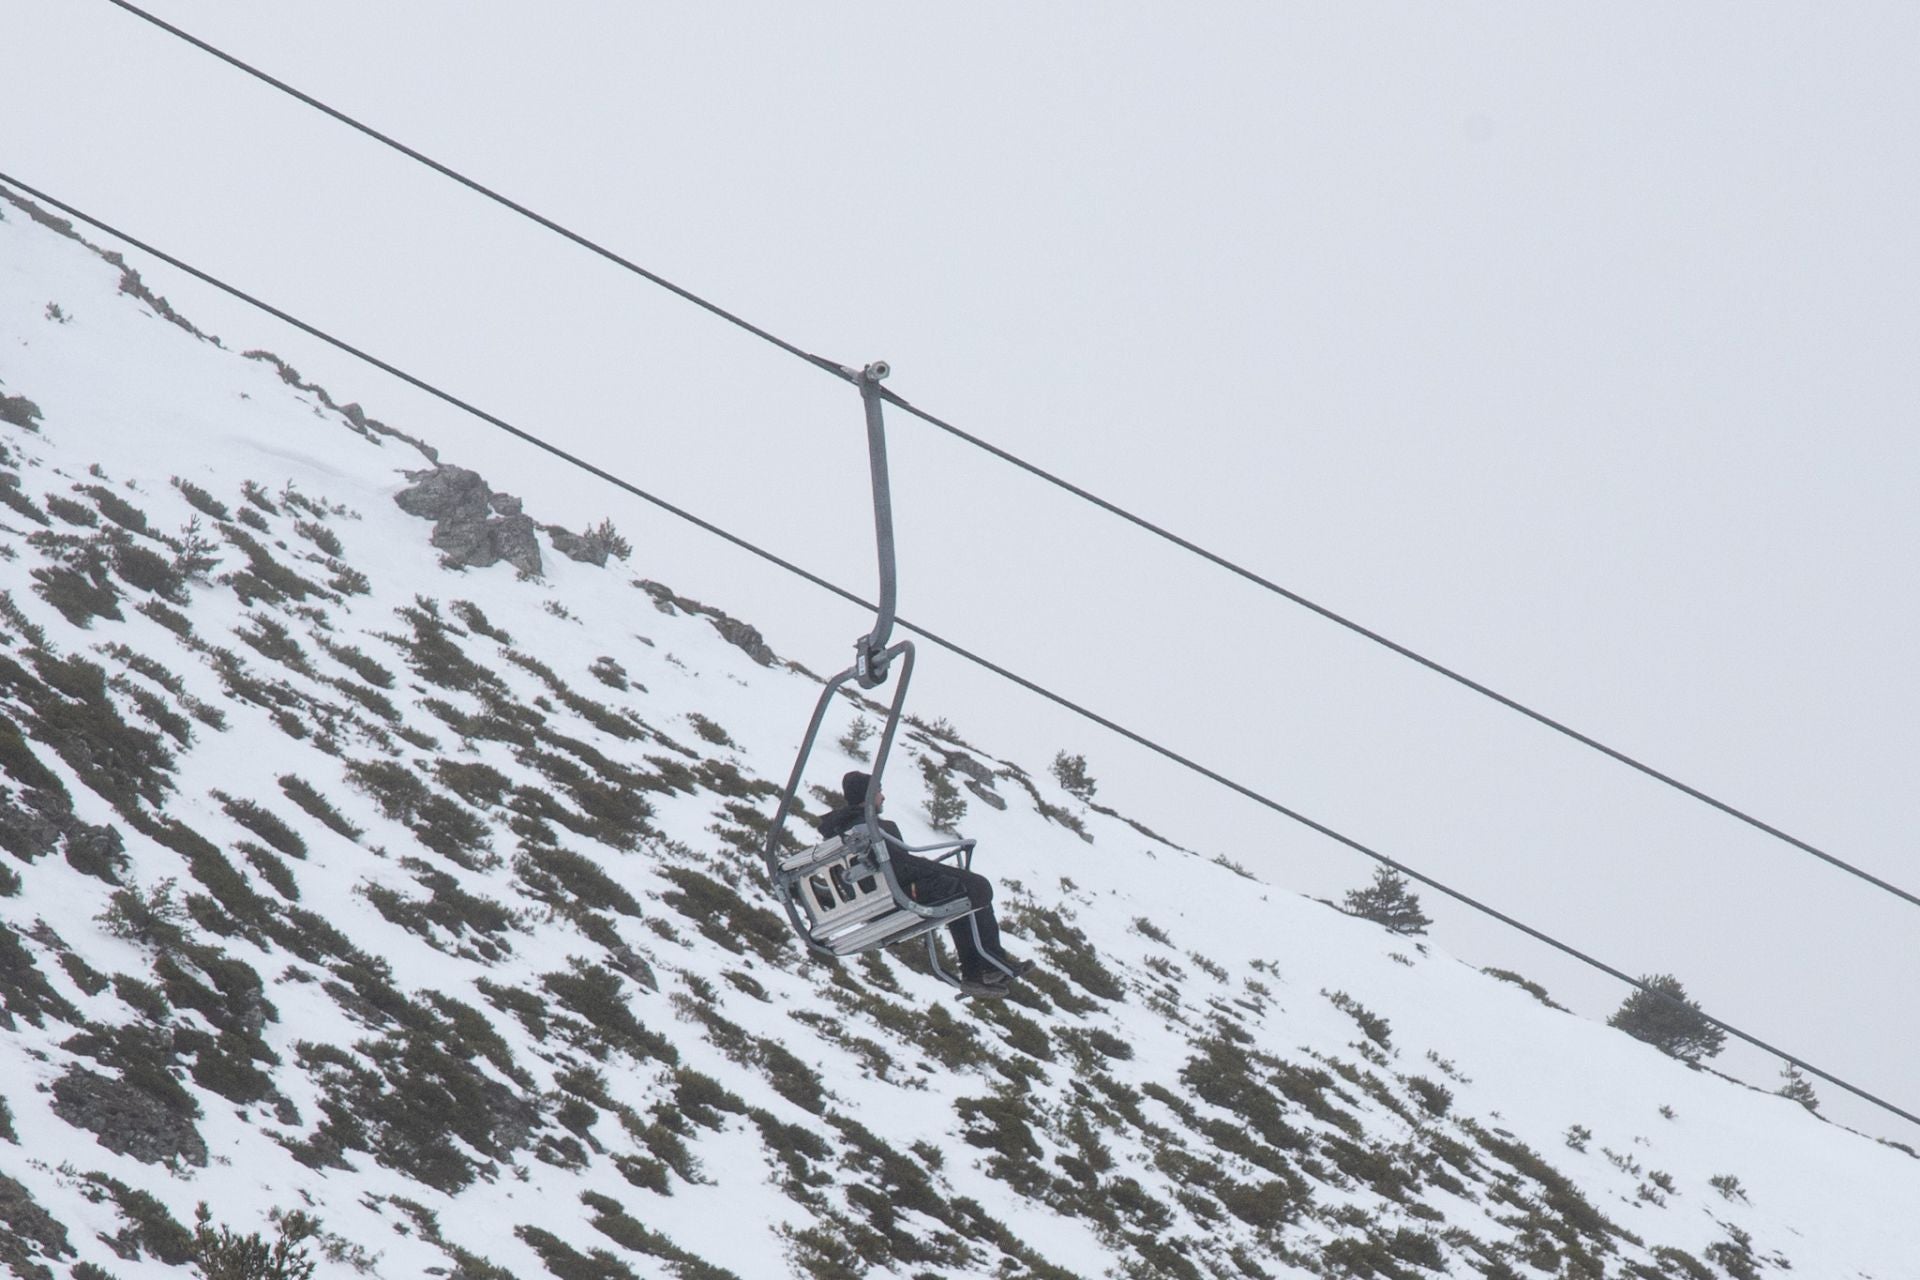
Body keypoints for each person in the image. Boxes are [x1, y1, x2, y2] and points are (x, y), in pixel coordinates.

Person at [816, 770, 1030, 988]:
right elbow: (900, 867)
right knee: (976, 887)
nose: (883, 797)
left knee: (957, 892)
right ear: (869, 795)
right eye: (879, 791)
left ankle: (977, 970)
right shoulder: (872, 828)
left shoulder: (840, 830)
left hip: (879, 900)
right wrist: (939, 870)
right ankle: (987, 966)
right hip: (897, 898)